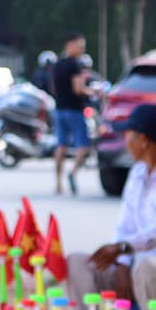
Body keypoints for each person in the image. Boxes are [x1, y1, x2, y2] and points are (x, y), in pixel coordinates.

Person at [64, 104, 156, 309]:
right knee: (77, 263)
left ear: (143, 140)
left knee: (148, 269)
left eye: (127, 135)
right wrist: (123, 263)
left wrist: (123, 249)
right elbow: (124, 226)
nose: (125, 142)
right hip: (135, 260)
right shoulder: (137, 172)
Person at [50, 34, 96, 196]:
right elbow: (78, 89)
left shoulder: (57, 64)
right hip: (75, 110)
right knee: (83, 145)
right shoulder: (74, 65)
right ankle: (73, 172)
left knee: (61, 146)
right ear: (70, 44)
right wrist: (92, 92)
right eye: (80, 46)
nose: (82, 49)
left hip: (59, 109)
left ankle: (58, 183)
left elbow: (53, 88)